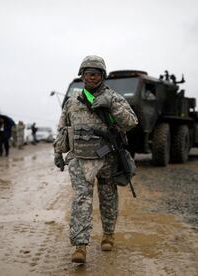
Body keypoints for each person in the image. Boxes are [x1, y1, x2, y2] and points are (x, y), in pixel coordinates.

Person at [53, 55, 138, 263]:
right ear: (82, 75)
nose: (91, 77)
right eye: (88, 73)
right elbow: (63, 129)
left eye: (96, 74)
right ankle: (80, 246)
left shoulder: (114, 98)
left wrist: (112, 105)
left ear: (102, 76)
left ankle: (108, 234)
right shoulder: (72, 102)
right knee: (82, 200)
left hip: (106, 158)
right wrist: (58, 151)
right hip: (80, 159)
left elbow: (131, 123)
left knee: (108, 197)